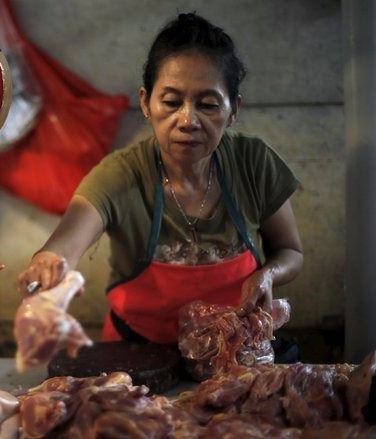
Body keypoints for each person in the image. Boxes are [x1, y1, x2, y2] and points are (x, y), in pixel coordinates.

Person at [17, 12, 303, 344]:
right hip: (136, 355)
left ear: (234, 109)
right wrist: (49, 264)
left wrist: (268, 275)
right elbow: (64, 246)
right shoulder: (120, 175)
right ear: (146, 103)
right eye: (171, 102)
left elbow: (290, 252)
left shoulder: (254, 163)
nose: (187, 120)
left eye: (208, 104)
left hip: (232, 352)